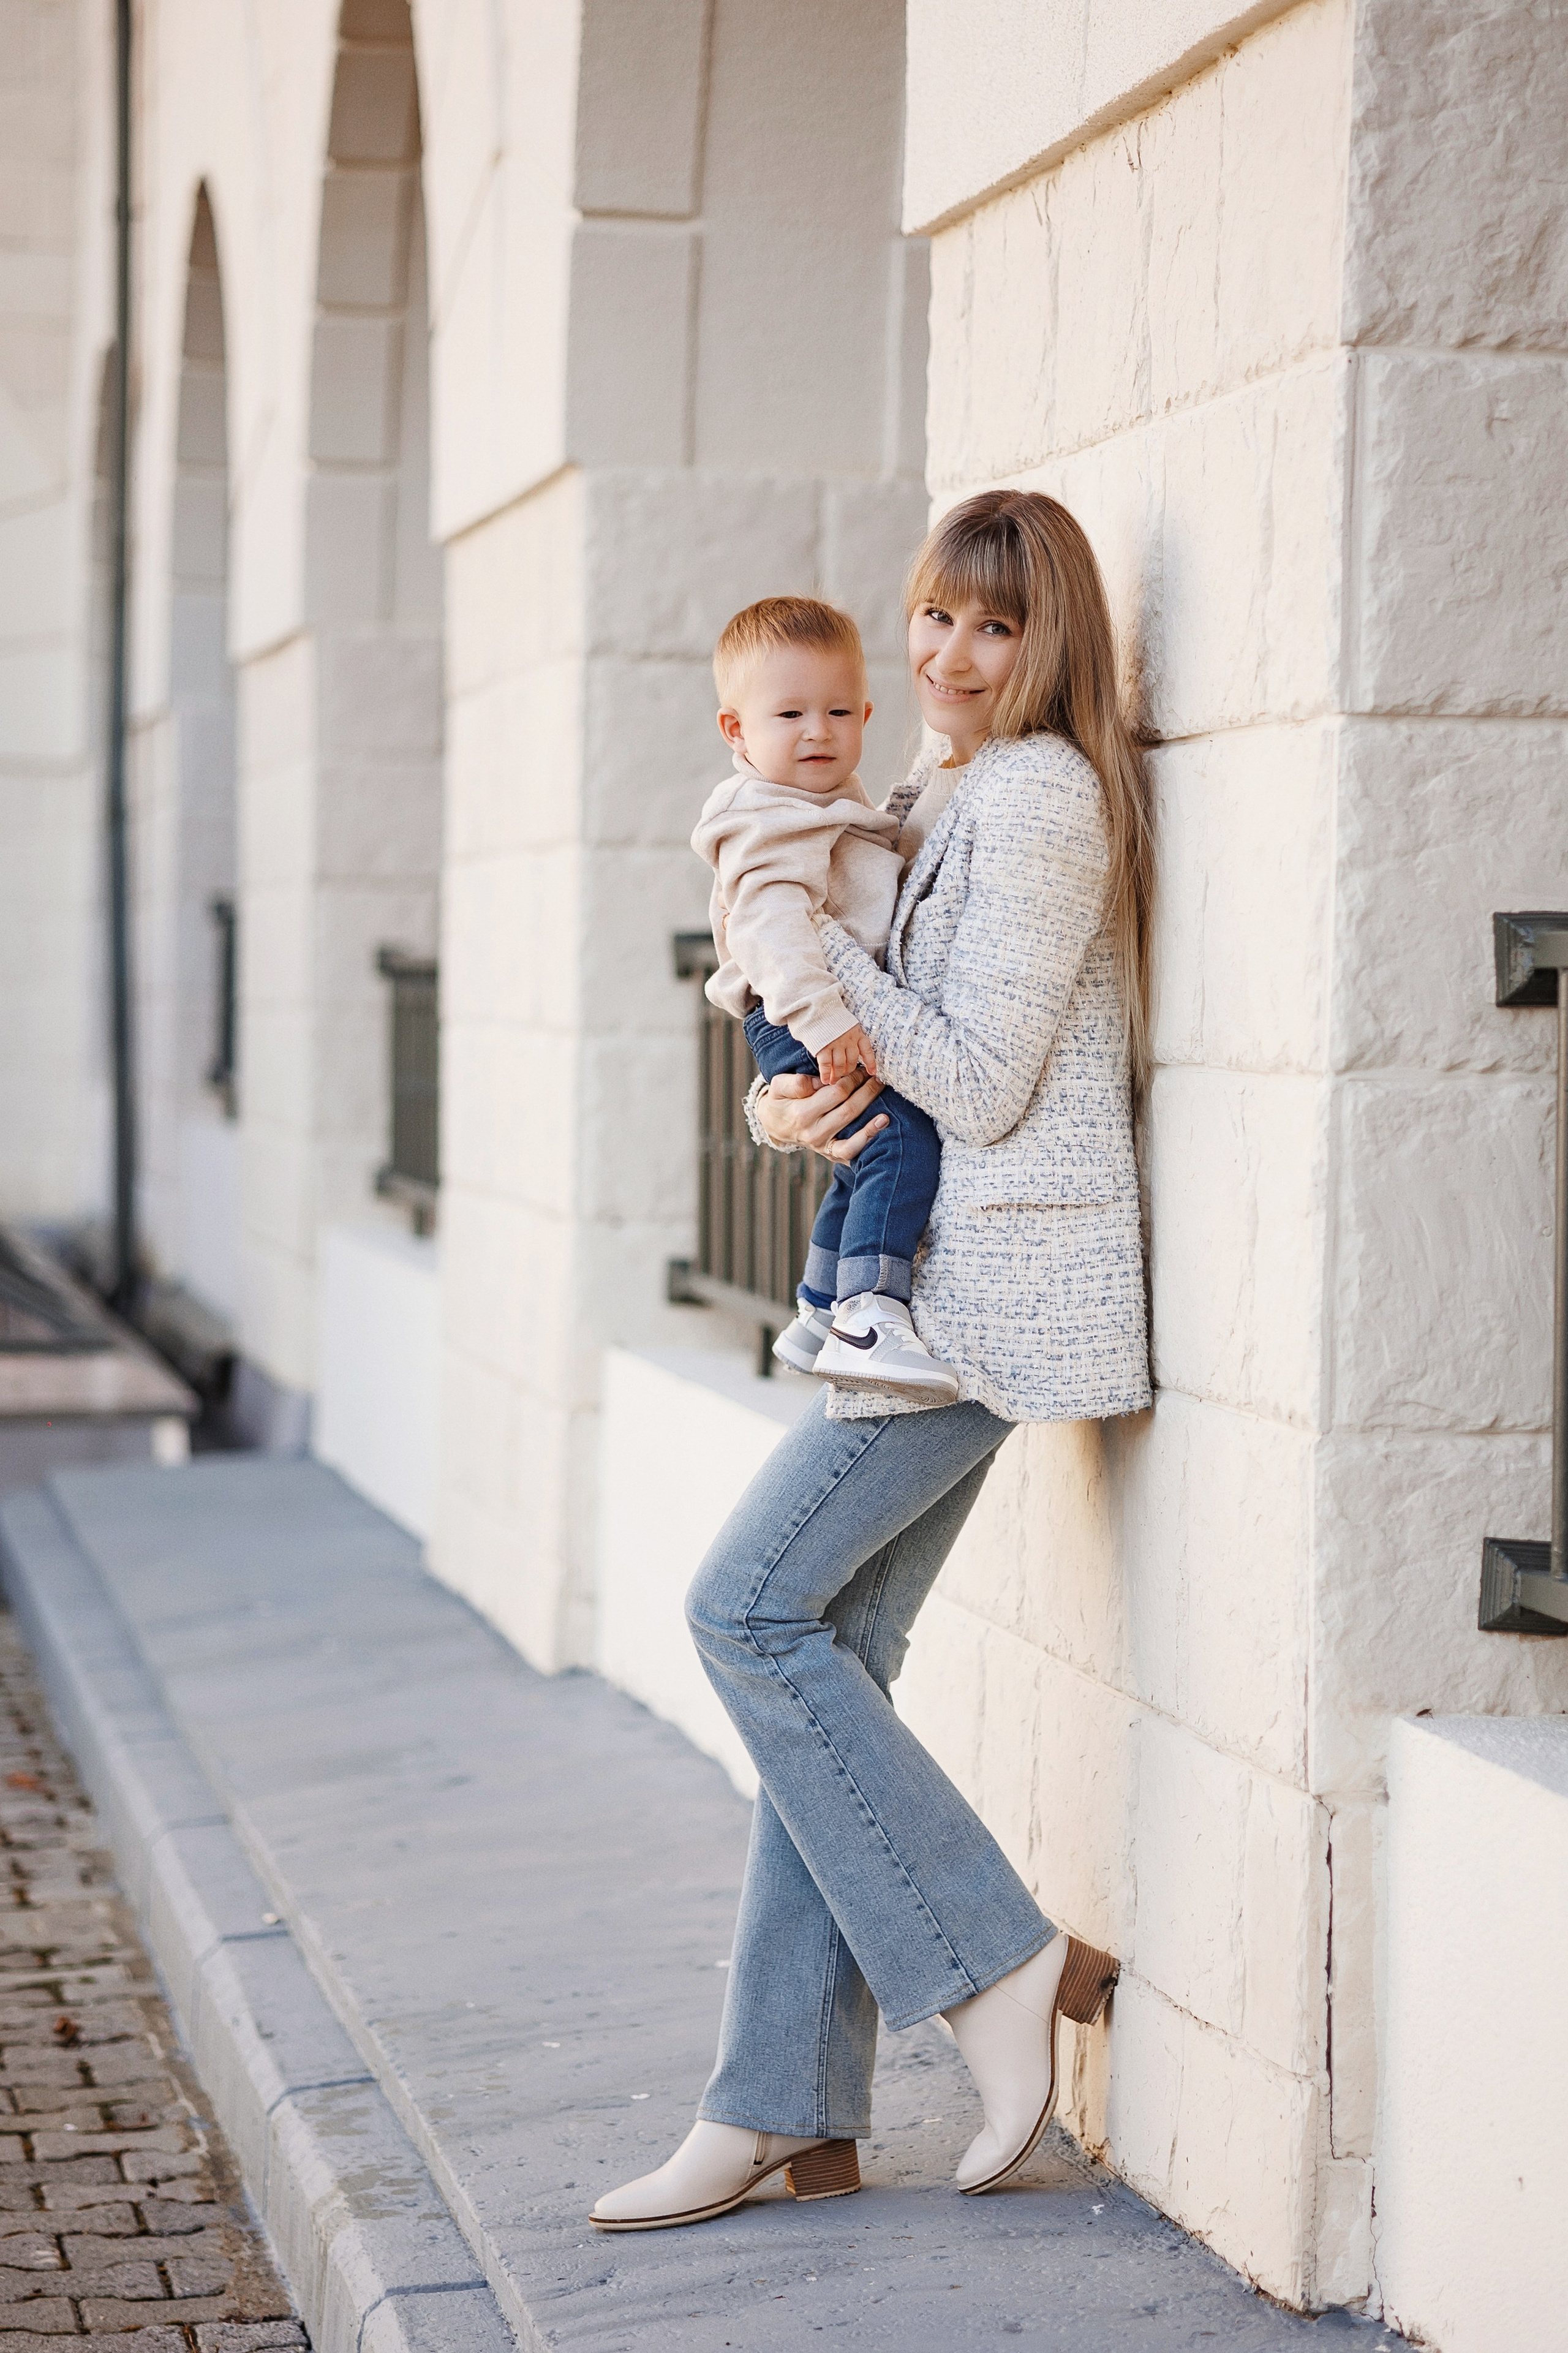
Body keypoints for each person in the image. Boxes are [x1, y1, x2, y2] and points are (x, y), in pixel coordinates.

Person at [590, 490, 1155, 2234]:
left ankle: (999, 1955)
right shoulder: (939, 794)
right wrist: (781, 1087)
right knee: (826, 1653)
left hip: (982, 1304)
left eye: (993, 626)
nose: (947, 655)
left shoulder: (1046, 795)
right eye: (934, 617)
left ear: (1048, 640)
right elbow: (848, 1033)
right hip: (927, 1294)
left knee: (743, 1611)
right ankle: (782, 2107)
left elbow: (976, 1079)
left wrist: (812, 960)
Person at [692, 595, 957, 1401]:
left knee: (858, 1153)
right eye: (791, 713)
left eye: (839, 710)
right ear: (736, 731)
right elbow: (770, 929)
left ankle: (815, 1306)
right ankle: (867, 1311)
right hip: (799, 1008)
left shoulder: (820, 801)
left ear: (867, 713)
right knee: (896, 1139)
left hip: (805, 1008)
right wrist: (825, 1019)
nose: (818, 730)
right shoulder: (766, 818)